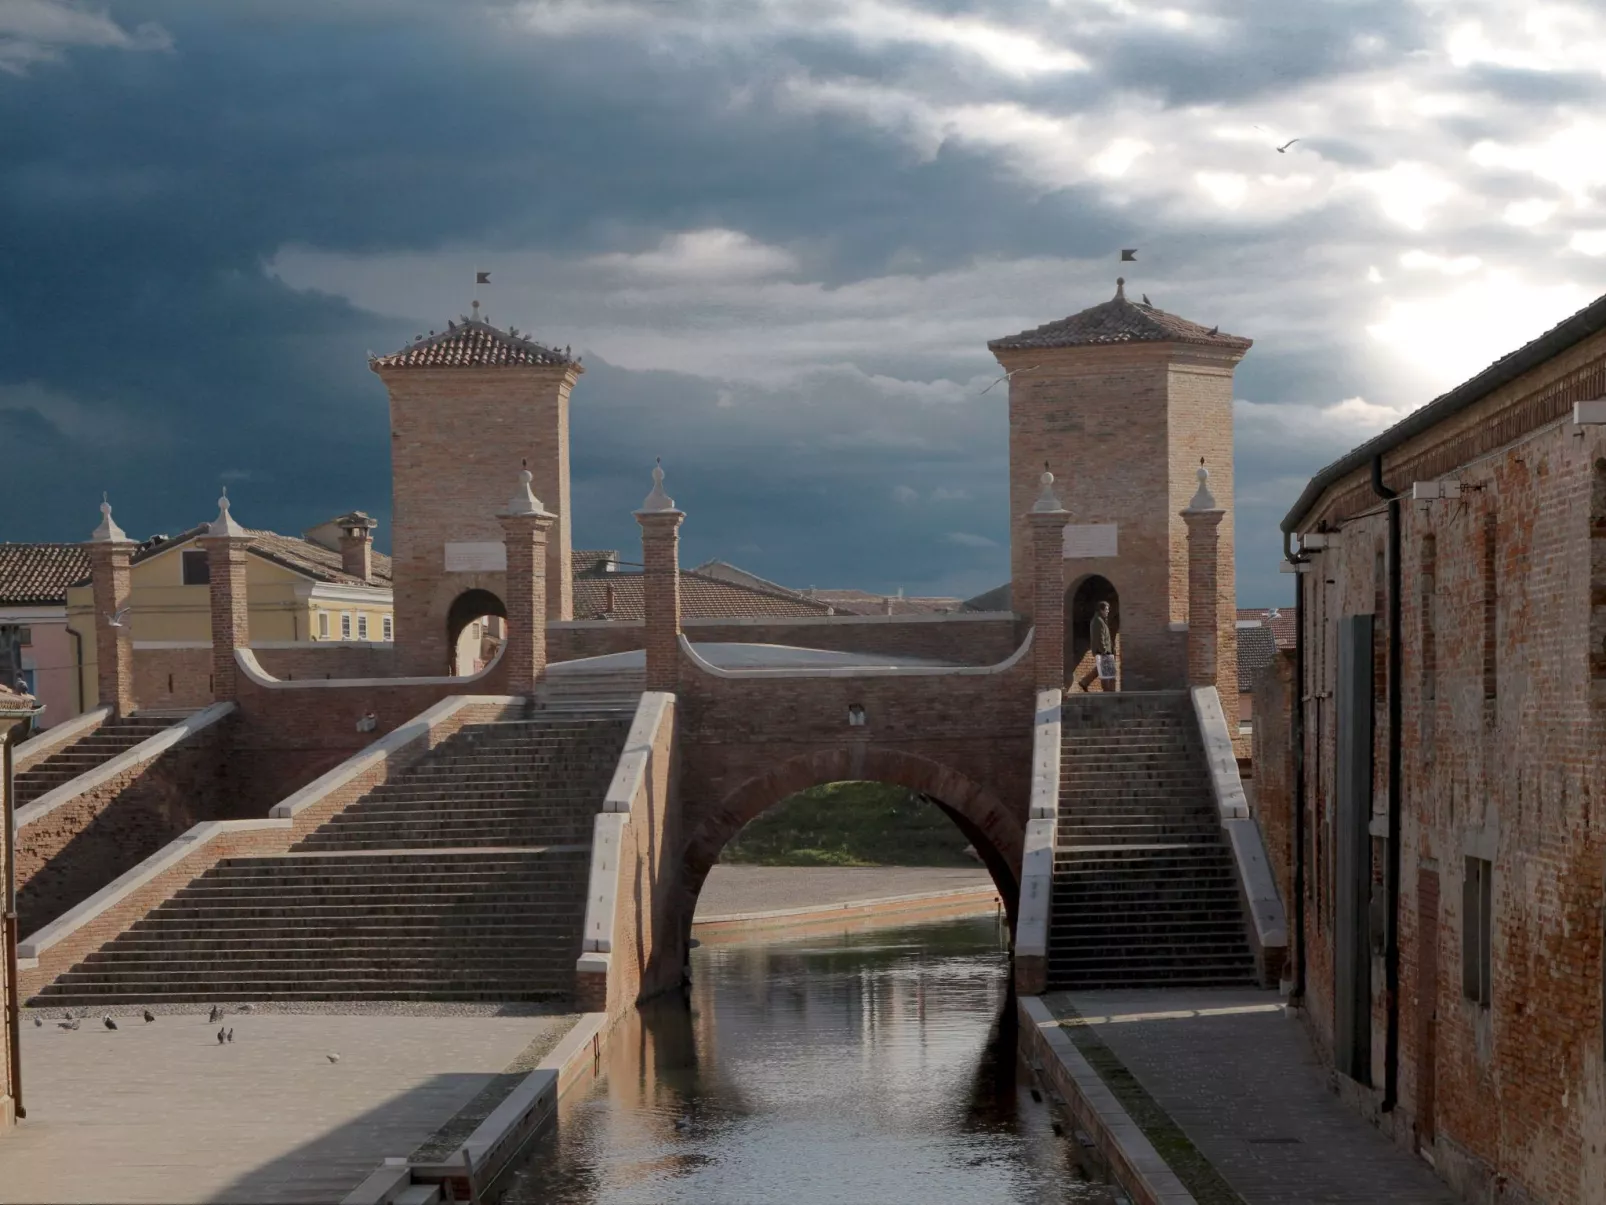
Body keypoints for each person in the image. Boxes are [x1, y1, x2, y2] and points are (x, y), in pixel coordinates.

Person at [1090, 600, 1116, 690]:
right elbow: (1099, 638)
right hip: (1102, 651)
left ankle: (1109, 692)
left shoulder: (1101, 620)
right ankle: (1107, 693)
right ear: (1101, 610)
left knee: (1108, 674)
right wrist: (1104, 651)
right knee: (1106, 675)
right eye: (1106, 609)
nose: (1108, 611)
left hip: (1104, 651)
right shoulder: (1098, 621)